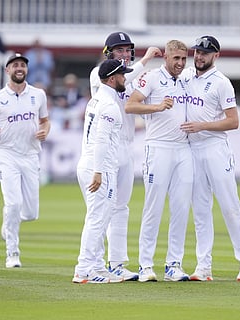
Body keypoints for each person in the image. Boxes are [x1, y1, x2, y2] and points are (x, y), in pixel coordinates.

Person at [180, 36, 240, 282]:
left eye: (204, 52)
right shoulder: (186, 77)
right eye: (197, 52)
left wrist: (202, 125)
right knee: (200, 209)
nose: (199, 56)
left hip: (215, 147)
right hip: (192, 149)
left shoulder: (222, 82)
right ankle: (204, 266)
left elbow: (233, 121)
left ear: (216, 56)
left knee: (229, 206)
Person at [89, 31, 162, 281]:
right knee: (101, 210)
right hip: (106, 147)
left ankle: (117, 264)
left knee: (121, 208)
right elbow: (129, 79)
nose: (124, 54)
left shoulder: (131, 75)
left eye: (126, 50)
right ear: (108, 53)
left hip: (126, 147)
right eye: (118, 50)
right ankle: (93, 265)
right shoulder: (99, 74)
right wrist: (148, 59)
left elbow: (137, 85)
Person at [0, 53, 51, 268]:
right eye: (15, 65)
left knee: (31, 213)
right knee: (14, 203)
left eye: (23, 65)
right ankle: (12, 253)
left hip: (31, 155)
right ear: (7, 70)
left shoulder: (38, 95)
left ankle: (9, 220)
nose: (20, 68)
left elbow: (45, 121)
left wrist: (44, 131)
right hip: (7, 155)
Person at [125, 40, 192, 282]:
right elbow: (130, 106)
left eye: (184, 59)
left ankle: (174, 264)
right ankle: (145, 265)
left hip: (184, 148)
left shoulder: (187, 79)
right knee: (153, 207)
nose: (181, 64)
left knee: (181, 208)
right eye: (176, 59)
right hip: (159, 147)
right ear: (166, 57)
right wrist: (157, 106)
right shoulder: (152, 77)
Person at [71, 59, 133, 284]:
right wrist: (99, 171)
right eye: (122, 75)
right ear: (112, 78)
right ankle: (84, 269)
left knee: (95, 218)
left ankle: (96, 266)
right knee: (98, 220)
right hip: (100, 167)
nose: (125, 78)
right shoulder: (109, 105)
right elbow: (101, 140)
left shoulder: (95, 99)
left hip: (87, 164)